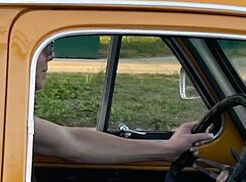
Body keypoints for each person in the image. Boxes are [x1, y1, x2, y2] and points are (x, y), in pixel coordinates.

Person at [30, 43, 214, 163]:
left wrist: (168, 149)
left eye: (50, 47)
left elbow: (74, 141)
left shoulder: (10, 117)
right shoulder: (6, 121)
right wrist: (168, 149)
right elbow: (75, 143)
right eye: (45, 48)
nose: (51, 56)